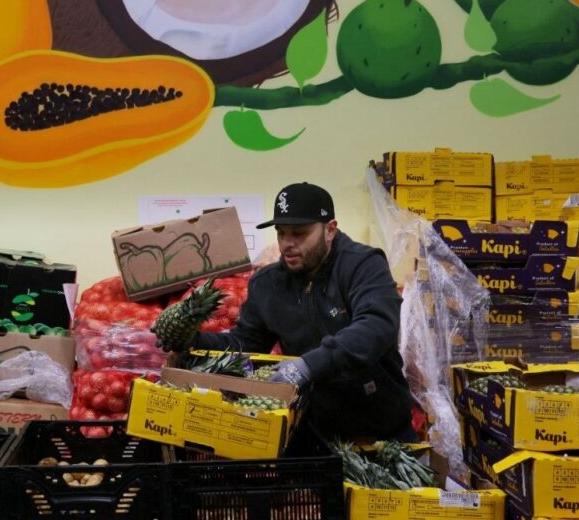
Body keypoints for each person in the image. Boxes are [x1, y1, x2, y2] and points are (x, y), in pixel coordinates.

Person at [161, 182, 417, 442]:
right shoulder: (267, 284)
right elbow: (245, 344)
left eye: (299, 233)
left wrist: (308, 365)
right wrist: (191, 340)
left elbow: (376, 326)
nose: (287, 244)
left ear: (330, 230)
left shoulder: (362, 265)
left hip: (382, 431)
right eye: (282, 233)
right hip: (315, 433)